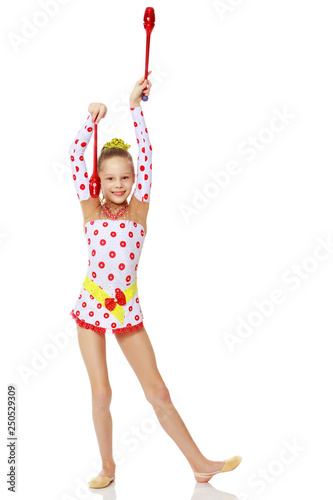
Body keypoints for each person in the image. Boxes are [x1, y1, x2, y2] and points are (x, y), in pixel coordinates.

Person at [68, 73, 242, 488]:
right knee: (102, 393)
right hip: (91, 307)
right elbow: (77, 161)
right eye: (109, 178)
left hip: (125, 307)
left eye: (123, 179)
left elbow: (145, 158)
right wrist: (90, 122)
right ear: (99, 182)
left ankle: (200, 463)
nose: (117, 184)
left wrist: (134, 109)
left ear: (133, 182)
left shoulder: (138, 214)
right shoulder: (90, 211)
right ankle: (108, 468)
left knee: (158, 391)